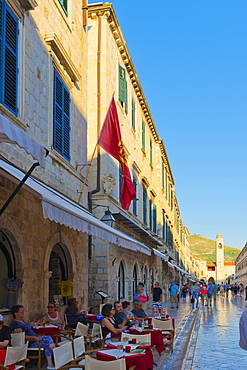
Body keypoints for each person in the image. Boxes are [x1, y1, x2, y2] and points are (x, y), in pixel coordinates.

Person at [10, 305, 55, 369]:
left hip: (35, 340)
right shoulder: (16, 323)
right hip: (30, 343)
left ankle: (50, 364)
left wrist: (36, 323)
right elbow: (20, 336)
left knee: (47, 342)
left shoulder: (21, 321)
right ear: (15, 313)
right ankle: (56, 354)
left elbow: (27, 326)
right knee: (48, 339)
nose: (23, 312)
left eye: (23, 311)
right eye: (21, 311)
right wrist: (34, 338)